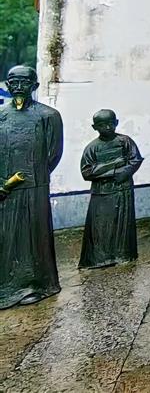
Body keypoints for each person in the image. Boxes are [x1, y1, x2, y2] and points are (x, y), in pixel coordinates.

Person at [0, 65, 63, 309]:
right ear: (7, 85)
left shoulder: (48, 116)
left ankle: (34, 284)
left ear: (34, 86)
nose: (18, 86)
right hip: (4, 188)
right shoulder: (1, 116)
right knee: (5, 236)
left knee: (32, 235)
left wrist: (33, 175)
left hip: (34, 186)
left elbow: (53, 154)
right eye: (13, 82)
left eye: (24, 82)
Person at [78, 109, 144, 269]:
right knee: (100, 227)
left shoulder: (125, 141)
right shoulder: (92, 148)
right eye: (102, 125)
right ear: (95, 127)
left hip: (123, 190)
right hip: (101, 193)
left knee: (122, 225)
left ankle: (123, 254)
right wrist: (113, 167)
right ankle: (99, 258)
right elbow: (87, 172)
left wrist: (122, 173)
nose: (107, 127)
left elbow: (135, 160)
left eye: (110, 124)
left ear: (116, 123)